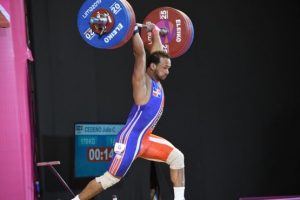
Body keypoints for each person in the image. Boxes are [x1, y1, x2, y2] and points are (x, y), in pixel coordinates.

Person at [72, 23, 186, 200]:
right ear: (153, 67)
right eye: (165, 67)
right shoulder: (142, 82)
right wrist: (133, 31)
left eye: (169, 67)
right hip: (130, 140)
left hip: (145, 138)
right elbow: (140, 54)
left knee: (177, 158)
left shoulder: (156, 78)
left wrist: (155, 31)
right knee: (110, 179)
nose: (168, 71)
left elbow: (156, 53)